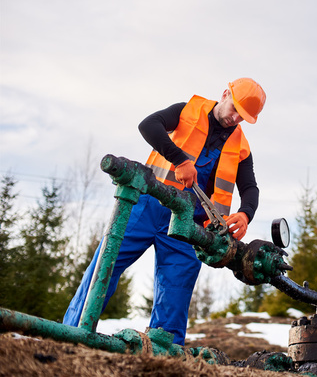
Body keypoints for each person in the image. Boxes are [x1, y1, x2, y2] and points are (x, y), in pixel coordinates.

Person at [63, 78, 266, 345]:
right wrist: (179, 158)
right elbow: (148, 125)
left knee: (176, 292)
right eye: (235, 109)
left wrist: (245, 213)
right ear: (225, 93)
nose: (236, 118)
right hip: (147, 207)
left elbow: (250, 187)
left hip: (188, 226)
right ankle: (70, 336)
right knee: (105, 265)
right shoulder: (187, 111)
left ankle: (163, 353)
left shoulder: (241, 148)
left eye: (244, 117)